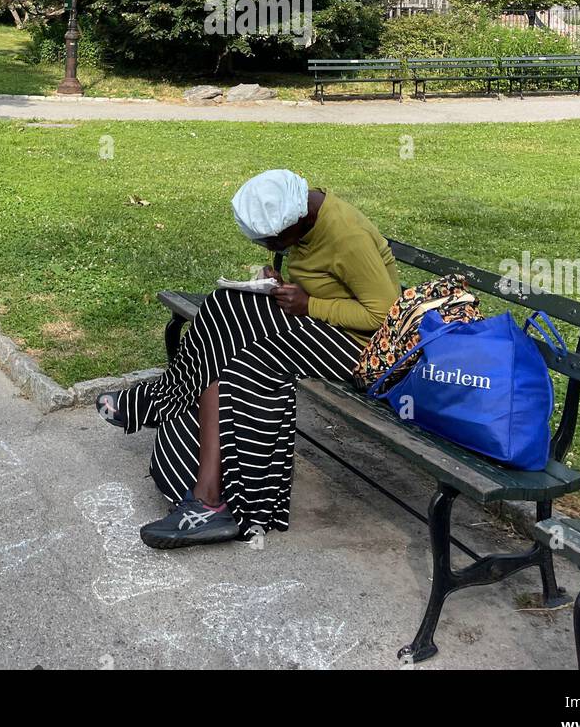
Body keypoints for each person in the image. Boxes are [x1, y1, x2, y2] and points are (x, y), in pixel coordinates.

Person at [96, 169, 400, 548]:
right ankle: (168, 411)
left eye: (273, 241)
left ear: (299, 220)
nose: (270, 246)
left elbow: (384, 314)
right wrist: (281, 285)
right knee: (226, 304)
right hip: (329, 325)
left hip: (363, 349)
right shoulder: (304, 216)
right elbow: (328, 280)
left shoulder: (347, 236)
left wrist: (309, 303)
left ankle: (213, 500)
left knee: (244, 362)